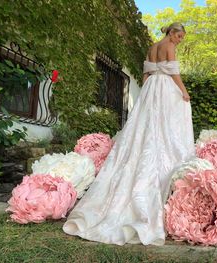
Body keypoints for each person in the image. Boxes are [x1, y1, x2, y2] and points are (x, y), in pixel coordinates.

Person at [62, 22, 195, 246]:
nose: (180, 40)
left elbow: (146, 74)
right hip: (163, 87)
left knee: (144, 127)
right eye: (179, 36)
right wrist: (184, 91)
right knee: (166, 126)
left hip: (151, 87)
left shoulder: (152, 47)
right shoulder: (168, 47)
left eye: (181, 38)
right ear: (172, 33)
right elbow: (173, 73)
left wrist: (144, 97)